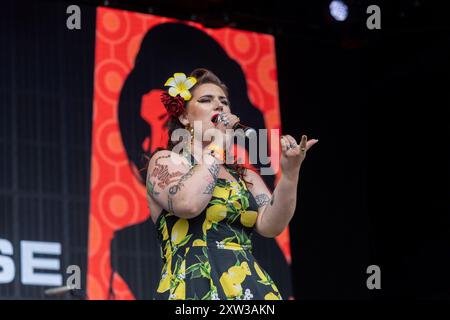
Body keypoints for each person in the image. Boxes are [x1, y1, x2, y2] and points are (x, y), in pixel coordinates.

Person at [146, 68, 318, 300]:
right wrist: (219, 142)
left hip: (249, 286)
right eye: (206, 100)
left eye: (224, 102)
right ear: (184, 117)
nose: (219, 106)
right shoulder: (167, 160)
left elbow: (271, 225)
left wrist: (290, 174)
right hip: (194, 286)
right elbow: (188, 204)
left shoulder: (244, 176)